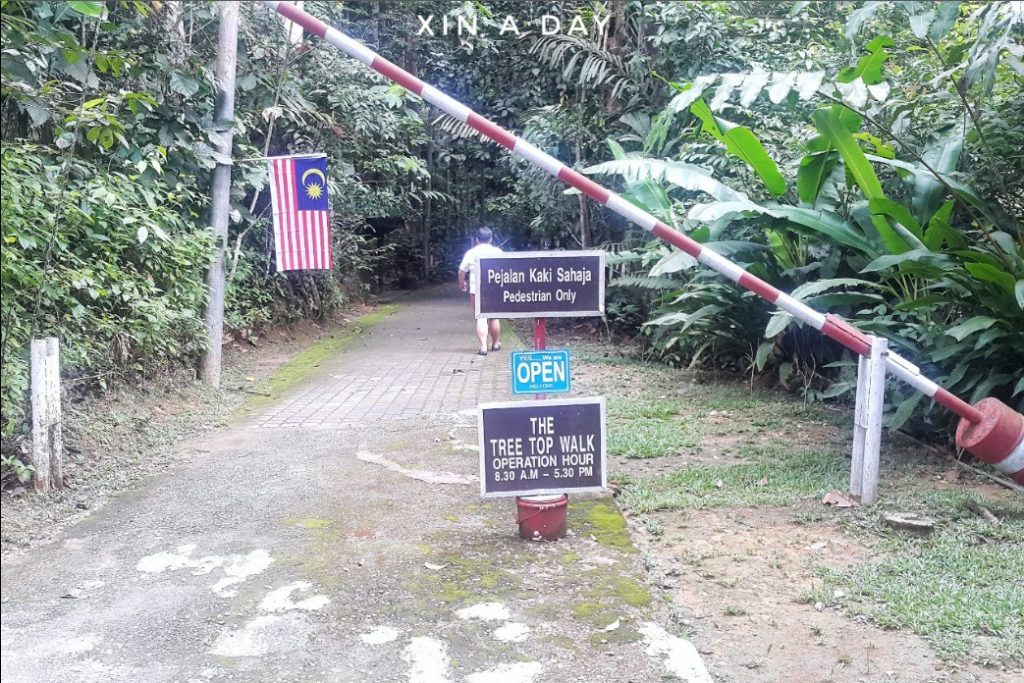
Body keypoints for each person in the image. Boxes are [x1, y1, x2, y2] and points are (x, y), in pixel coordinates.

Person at [458, 227, 503, 355]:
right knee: (494, 318)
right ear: (491, 238)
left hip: (476, 290)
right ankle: (495, 344)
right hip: (494, 289)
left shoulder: (471, 253)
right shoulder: (498, 252)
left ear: (477, 239)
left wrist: (462, 284)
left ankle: (483, 347)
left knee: (481, 317)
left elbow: (461, 271)